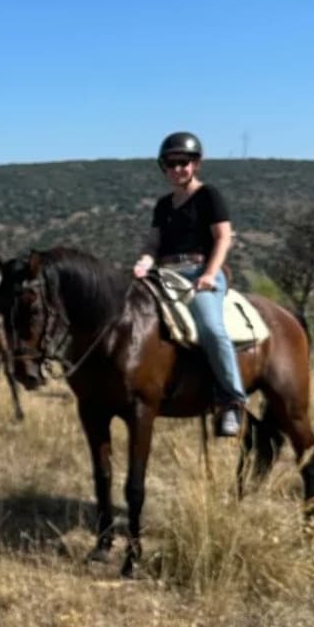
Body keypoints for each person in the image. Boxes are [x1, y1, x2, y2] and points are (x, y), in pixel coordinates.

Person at [132, 131, 246, 436]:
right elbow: (153, 243)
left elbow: (223, 238)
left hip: (200, 273)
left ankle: (232, 399)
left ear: (196, 164)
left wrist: (209, 274)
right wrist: (144, 261)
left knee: (210, 327)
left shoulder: (209, 196)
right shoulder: (163, 205)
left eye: (184, 162)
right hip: (165, 273)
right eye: (171, 163)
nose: (177, 169)